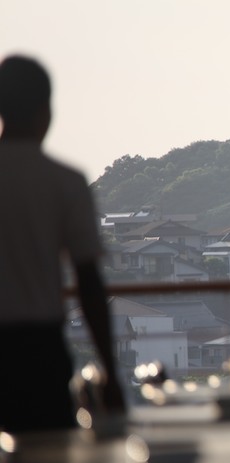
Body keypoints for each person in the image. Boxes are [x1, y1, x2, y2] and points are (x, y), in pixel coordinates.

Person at [0, 54, 126, 433]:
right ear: (46, 111)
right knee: (51, 457)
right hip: (42, 350)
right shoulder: (64, 181)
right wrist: (110, 372)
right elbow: (89, 281)